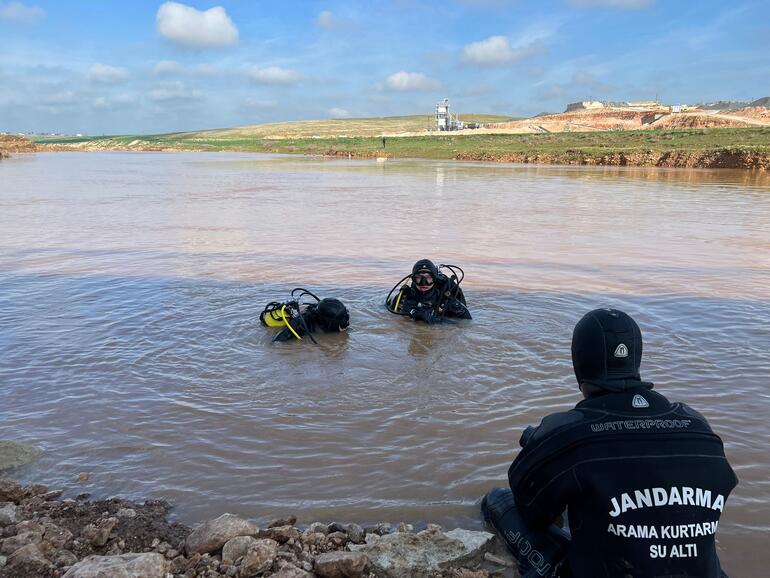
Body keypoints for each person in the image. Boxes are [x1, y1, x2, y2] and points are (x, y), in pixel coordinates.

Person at [481, 308, 737, 578]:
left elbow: (532, 510)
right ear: (635, 359)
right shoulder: (696, 424)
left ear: (578, 361)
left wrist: (541, 445)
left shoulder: (568, 431)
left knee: (497, 501)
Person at [386, 259, 471, 323]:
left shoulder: (444, 299)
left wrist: (432, 320)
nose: (424, 283)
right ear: (413, 279)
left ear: (435, 279)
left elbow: (466, 323)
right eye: (419, 278)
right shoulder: (404, 297)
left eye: (428, 278)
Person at [260, 288, 349, 342]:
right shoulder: (302, 324)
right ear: (329, 323)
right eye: (344, 322)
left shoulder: (323, 316)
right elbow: (277, 342)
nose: (346, 324)